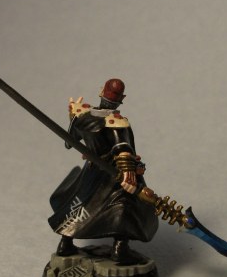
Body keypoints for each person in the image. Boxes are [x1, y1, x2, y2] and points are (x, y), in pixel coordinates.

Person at [47, 78, 159, 262]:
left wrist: (74, 117)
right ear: (122, 98)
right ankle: (120, 249)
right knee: (125, 207)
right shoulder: (116, 123)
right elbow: (123, 149)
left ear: (101, 92)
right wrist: (129, 175)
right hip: (114, 174)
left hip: (92, 171)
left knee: (81, 202)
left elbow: (69, 142)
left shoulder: (84, 116)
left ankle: (65, 244)